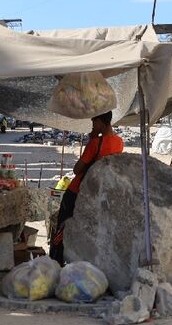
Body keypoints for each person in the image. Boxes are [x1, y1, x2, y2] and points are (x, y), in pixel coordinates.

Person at [49, 112, 124, 264]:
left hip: (77, 190)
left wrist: (93, 139)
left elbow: (77, 170)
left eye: (94, 121)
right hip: (95, 193)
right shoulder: (119, 142)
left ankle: (55, 259)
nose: (92, 124)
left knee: (63, 224)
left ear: (101, 122)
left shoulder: (96, 143)